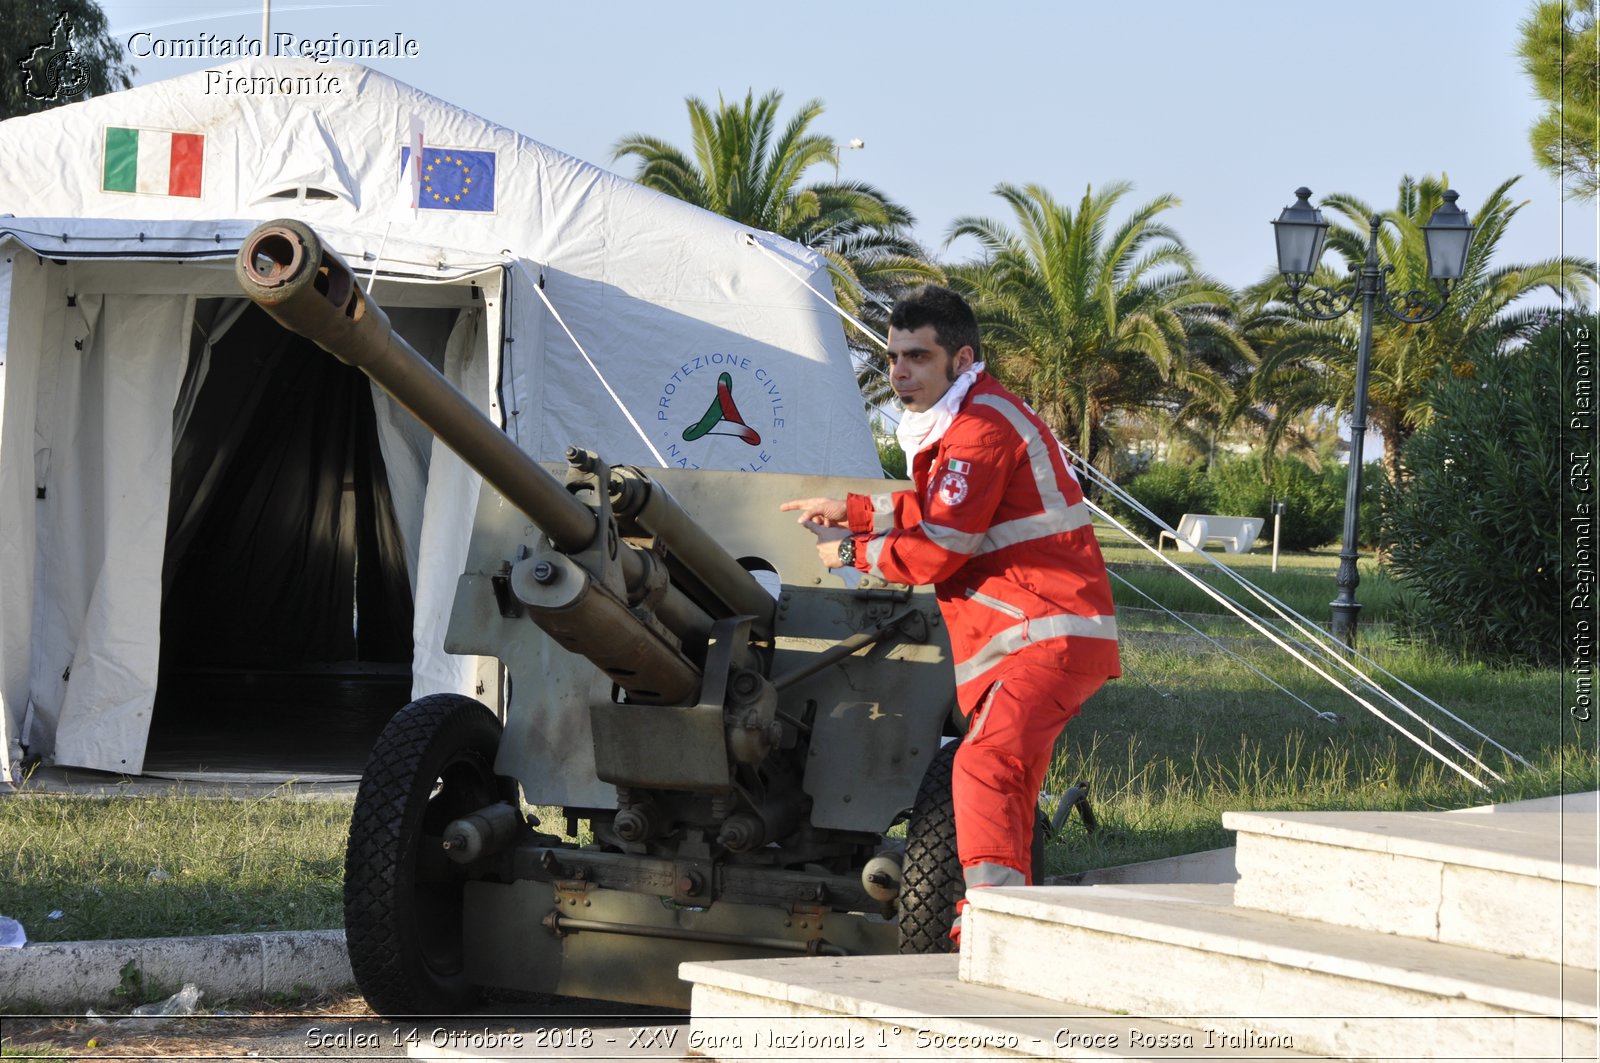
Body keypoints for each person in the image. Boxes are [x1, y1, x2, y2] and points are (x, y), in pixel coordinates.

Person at [780, 284, 1119, 948]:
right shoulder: (970, 424)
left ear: (962, 359)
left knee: (983, 766)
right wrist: (849, 510)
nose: (899, 372)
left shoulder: (979, 429)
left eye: (917, 357)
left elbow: (941, 547)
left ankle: (992, 921)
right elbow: (939, 510)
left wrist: (854, 550)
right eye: (892, 357)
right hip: (1043, 633)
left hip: (1040, 633)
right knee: (1010, 785)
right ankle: (1014, 918)